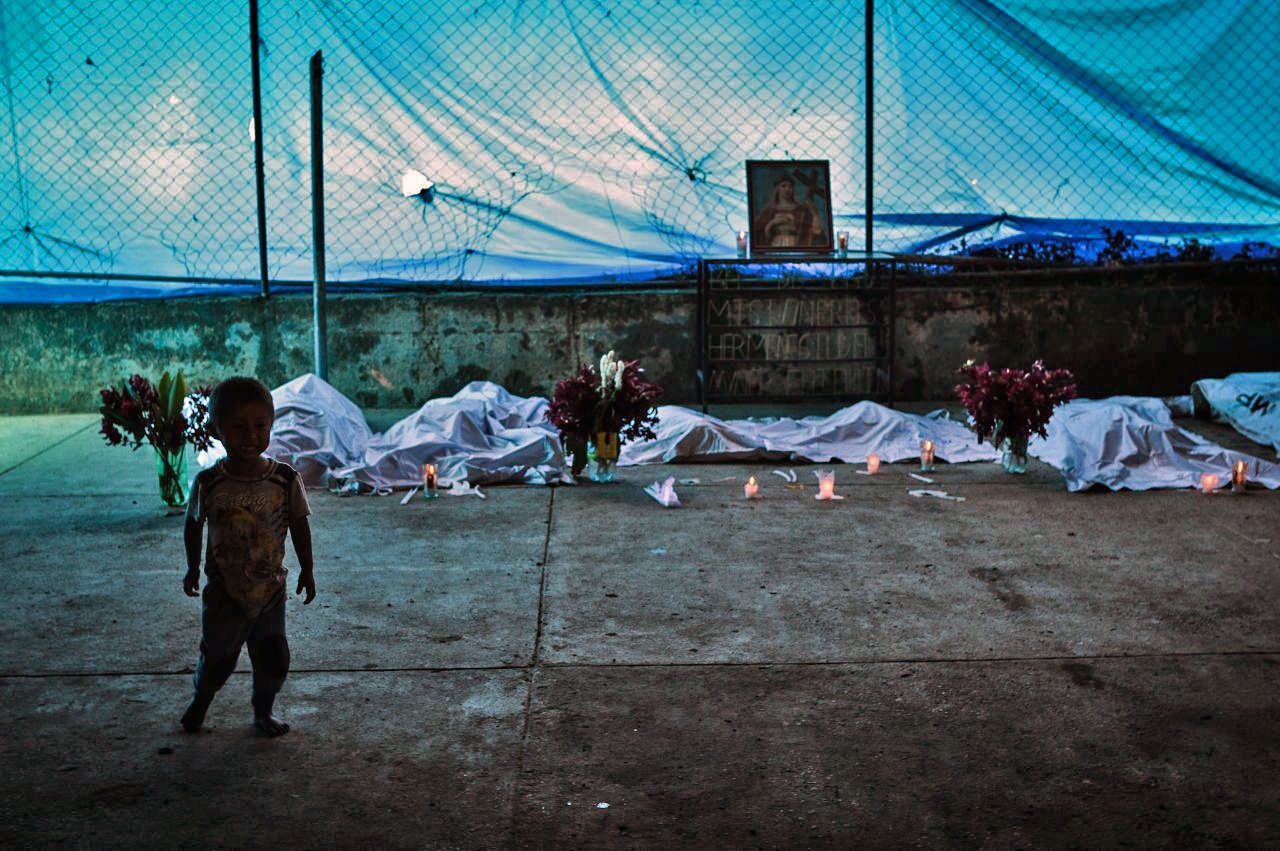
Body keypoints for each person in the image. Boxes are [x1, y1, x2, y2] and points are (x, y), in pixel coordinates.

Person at [180, 376, 315, 737]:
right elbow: (194, 525)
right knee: (218, 660)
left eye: (260, 427)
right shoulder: (209, 483)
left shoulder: (284, 480)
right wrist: (193, 567)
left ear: (272, 426)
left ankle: (262, 712)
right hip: (225, 593)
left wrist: (308, 569)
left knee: (273, 659)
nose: (250, 437)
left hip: (270, 592)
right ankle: (201, 701)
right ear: (216, 429)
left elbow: (300, 525)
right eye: (237, 428)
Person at [753, 174, 825, 248]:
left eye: (790, 187)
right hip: (775, 245)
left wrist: (814, 214)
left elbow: (815, 230)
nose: (787, 189)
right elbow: (759, 236)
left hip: (795, 244)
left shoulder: (801, 209)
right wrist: (772, 223)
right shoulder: (769, 210)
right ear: (777, 189)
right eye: (783, 186)